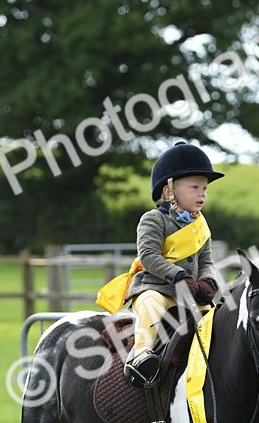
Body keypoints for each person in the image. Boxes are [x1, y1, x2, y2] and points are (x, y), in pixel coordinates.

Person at [96, 142, 224, 387]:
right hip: (158, 288)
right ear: (168, 191)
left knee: (218, 320)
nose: (202, 194)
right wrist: (177, 275)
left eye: (205, 188)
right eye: (195, 187)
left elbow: (206, 260)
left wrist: (208, 280)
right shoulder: (153, 219)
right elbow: (148, 255)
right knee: (150, 304)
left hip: (192, 296)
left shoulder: (200, 225)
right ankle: (141, 356)